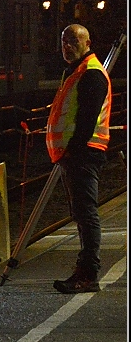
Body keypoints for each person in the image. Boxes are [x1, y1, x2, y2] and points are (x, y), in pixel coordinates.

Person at [46, 24, 111, 294]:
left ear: (88, 43)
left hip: (83, 154)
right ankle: (84, 273)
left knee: (86, 215)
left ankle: (87, 275)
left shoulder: (91, 74)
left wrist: (72, 149)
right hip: (76, 154)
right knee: (83, 214)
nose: (67, 46)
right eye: (64, 41)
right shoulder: (77, 73)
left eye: (73, 41)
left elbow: (86, 119)